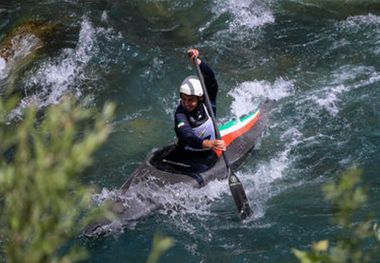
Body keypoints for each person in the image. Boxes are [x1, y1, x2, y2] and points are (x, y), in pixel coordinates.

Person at [161, 48, 226, 185]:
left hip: (205, 158)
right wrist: (210, 143)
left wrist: (198, 62)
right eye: (184, 99)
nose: (186, 103)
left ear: (200, 98)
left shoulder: (209, 103)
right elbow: (188, 136)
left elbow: (211, 79)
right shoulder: (180, 114)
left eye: (190, 100)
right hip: (183, 155)